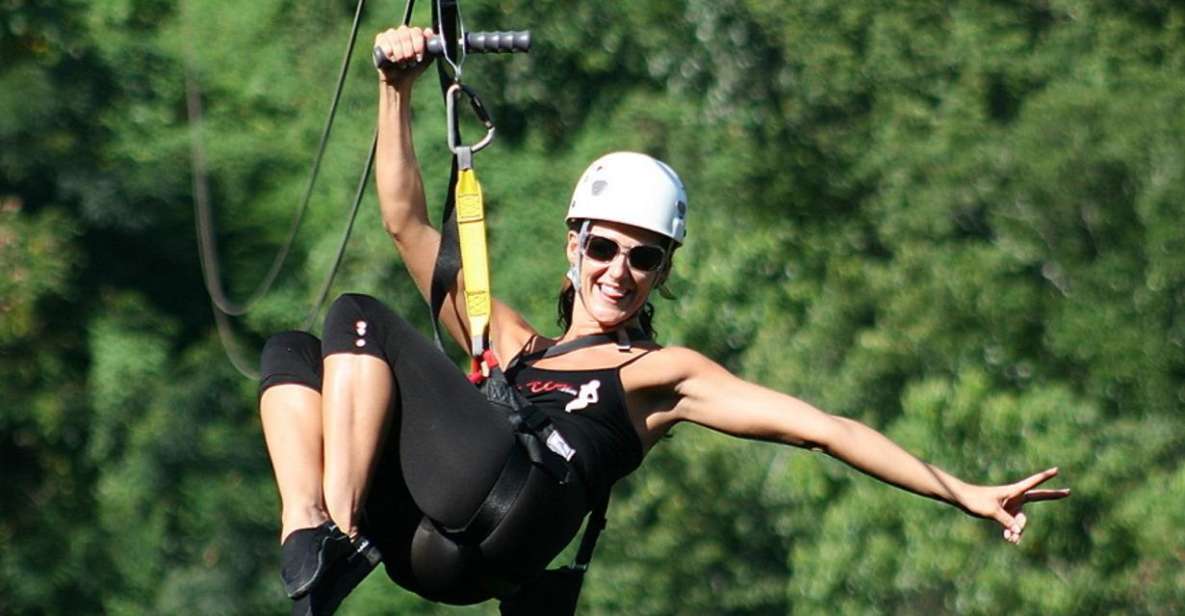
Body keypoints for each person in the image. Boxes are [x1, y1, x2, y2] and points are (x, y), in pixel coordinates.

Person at [257, 25, 1071, 616]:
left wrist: (959, 491)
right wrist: (392, 91)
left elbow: (822, 428)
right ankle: (318, 541)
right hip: (431, 558)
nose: (619, 271)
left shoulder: (660, 377)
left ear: (662, 274)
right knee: (295, 350)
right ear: (574, 246)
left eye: (643, 259)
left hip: (512, 513)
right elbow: (405, 222)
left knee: (359, 317)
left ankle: (336, 534)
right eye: (606, 248)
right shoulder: (506, 340)